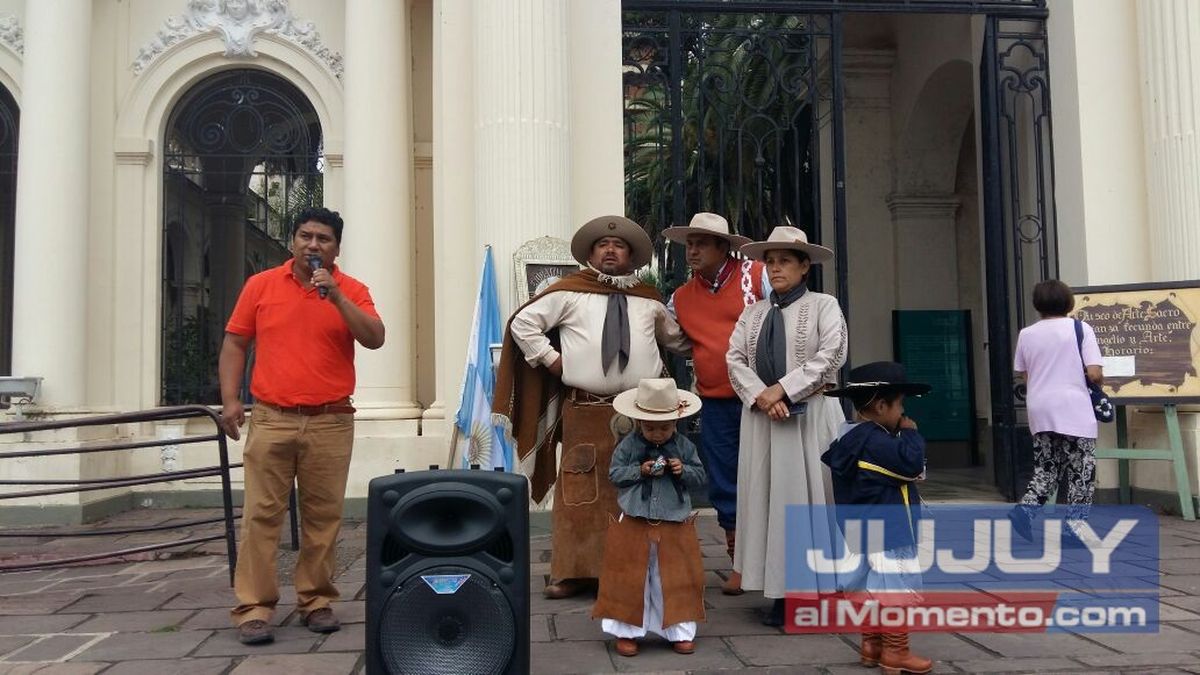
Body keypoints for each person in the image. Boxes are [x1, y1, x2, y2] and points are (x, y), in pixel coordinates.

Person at [494, 215, 690, 599]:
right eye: (603, 246)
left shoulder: (648, 299)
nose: (611, 250)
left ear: (632, 256)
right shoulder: (568, 293)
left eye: (618, 246)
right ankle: (572, 571)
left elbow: (678, 340)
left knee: (639, 487)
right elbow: (522, 323)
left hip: (640, 413)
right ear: (590, 254)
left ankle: (637, 570)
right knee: (579, 489)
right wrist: (549, 360)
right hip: (584, 408)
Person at [218, 207, 385, 645]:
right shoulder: (261, 285)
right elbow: (236, 342)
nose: (313, 245)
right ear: (292, 240)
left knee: (323, 517)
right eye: (305, 236)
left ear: (336, 248)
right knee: (261, 516)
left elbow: (374, 336)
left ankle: (315, 601)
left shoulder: (351, 289)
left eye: (323, 239)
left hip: (331, 420)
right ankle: (254, 608)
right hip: (272, 417)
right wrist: (232, 400)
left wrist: (337, 298)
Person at [727, 225, 847, 626]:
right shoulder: (753, 312)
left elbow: (832, 354)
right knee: (767, 500)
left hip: (810, 416)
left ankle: (814, 587)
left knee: (809, 498)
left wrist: (784, 389)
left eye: (784, 261)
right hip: (764, 421)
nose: (775, 269)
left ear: (804, 266)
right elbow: (735, 359)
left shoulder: (823, 306)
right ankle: (777, 588)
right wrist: (764, 396)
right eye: (770, 262)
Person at [662, 212, 770, 595]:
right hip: (716, 401)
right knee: (725, 481)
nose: (692, 250)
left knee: (770, 476)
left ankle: (778, 560)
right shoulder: (679, 298)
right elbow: (674, 340)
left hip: (763, 398)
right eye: (689, 243)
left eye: (702, 242)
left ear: (724, 247)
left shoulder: (757, 275)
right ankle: (739, 562)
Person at [821, 361, 933, 675]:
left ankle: (872, 645)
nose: (904, 414)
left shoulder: (850, 437)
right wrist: (911, 435)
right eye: (900, 406)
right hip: (890, 530)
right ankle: (896, 653)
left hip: (860, 529)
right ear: (881, 406)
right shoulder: (876, 441)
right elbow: (911, 464)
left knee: (871, 586)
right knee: (893, 587)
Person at [592, 378, 707, 657]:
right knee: (630, 576)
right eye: (650, 428)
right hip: (635, 517)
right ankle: (627, 631)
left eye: (664, 428)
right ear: (638, 422)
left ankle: (679, 631)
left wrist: (683, 470)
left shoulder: (684, 447)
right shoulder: (628, 446)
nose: (657, 434)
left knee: (675, 576)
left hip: (673, 518)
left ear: (676, 423)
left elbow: (700, 477)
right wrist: (639, 470)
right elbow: (615, 475)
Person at [1008, 279, 1104, 542]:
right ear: (1068, 302)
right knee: (1081, 471)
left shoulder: (1027, 334)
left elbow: (1026, 375)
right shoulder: (1080, 329)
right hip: (1074, 409)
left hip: (1041, 408)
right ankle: (1073, 529)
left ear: (1038, 305)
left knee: (1047, 467)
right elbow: (1094, 372)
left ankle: (1025, 511)